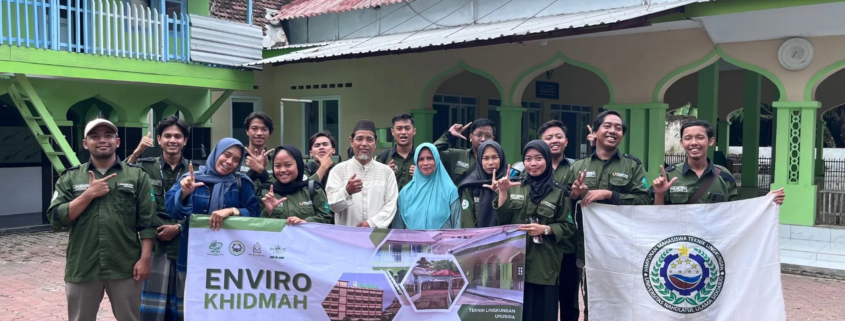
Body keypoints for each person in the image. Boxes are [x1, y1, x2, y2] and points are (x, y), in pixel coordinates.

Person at [47, 119, 156, 321]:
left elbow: (148, 222)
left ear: (117, 142)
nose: (102, 140)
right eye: (95, 136)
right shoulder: (70, 177)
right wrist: (88, 195)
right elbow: (56, 217)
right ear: (85, 143)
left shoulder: (137, 176)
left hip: (125, 265)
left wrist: (145, 259)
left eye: (108, 135)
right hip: (83, 265)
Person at [564, 110, 652, 321]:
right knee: (593, 304)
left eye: (618, 128)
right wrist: (574, 195)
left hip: (623, 249)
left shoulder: (632, 166)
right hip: (587, 249)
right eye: (607, 126)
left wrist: (610, 194)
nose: (613, 131)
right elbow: (563, 207)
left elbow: (644, 201)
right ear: (594, 132)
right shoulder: (578, 167)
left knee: (625, 303)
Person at [491, 141, 576, 321]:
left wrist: (545, 229)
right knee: (518, 314)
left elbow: (569, 227)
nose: (533, 163)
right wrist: (503, 193)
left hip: (544, 266)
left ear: (547, 160)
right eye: (528, 159)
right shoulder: (516, 186)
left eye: (538, 158)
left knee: (543, 314)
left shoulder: (559, 192)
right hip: (515, 264)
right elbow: (503, 221)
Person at [126, 116, 191, 321]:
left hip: (184, 244)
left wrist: (179, 226)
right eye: (167, 136)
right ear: (159, 139)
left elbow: (202, 208)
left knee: (182, 302)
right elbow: (122, 178)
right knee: (152, 305)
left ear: (185, 141)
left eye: (178, 136)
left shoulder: (195, 171)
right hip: (153, 244)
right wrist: (137, 152)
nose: (173, 140)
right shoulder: (145, 166)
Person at [165, 138, 261, 274]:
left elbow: (254, 213)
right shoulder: (191, 179)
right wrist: (184, 193)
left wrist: (232, 211)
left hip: (231, 254)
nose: (229, 162)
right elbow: (172, 211)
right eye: (226, 155)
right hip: (194, 252)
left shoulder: (241, 183)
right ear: (217, 153)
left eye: (236, 160)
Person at [652, 119, 786, 205]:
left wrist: (765, 202)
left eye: (700, 137)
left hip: (712, 240)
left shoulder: (724, 176)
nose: (693, 143)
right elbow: (657, 216)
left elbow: (735, 213)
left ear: (711, 141)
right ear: (681, 143)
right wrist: (659, 193)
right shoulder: (670, 175)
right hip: (679, 240)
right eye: (688, 138)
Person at [536, 120, 578, 321]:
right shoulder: (530, 168)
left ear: (566, 141)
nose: (554, 140)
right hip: (540, 248)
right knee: (543, 300)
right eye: (549, 137)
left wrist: (576, 196)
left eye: (558, 137)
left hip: (567, 245)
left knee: (569, 299)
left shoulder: (576, 168)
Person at [326, 120, 398, 228]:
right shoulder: (338, 171)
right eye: (359, 139)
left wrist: (371, 223)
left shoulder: (387, 173)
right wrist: (346, 191)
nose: (364, 144)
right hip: (346, 235)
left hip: (376, 235)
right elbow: (332, 206)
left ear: (375, 143)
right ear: (351, 141)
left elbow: (391, 206)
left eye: (369, 139)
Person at [258, 145, 333, 224]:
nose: (282, 170)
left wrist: (305, 222)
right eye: (277, 166)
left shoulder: (313, 189)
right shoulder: (266, 192)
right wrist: (268, 211)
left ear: (298, 165)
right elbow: (259, 225)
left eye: (288, 165)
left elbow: (327, 217)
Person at [392, 143, 460, 229]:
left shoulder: (450, 190)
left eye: (430, 158)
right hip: (411, 238)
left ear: (437, 160)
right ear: (416, 162)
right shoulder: (405, 193)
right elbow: (398, 228)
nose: (425, 163)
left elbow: (457, 225)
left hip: (444, 238)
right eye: (421, 159)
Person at [456, 141, 507, 228]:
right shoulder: (470, 186)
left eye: (495, 157)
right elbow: (467, 222)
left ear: (501, 158)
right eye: (485, 158)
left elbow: (512, 219)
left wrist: (502, 192)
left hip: (504, 236)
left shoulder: (509, 184)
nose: (490, 162)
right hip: (477, 236)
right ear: (479, 160)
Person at [434, 118, 497, 185]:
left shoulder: (498, 161)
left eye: (488, 136)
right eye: (479, 135)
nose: (483, 139)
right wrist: (448, 136)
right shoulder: (455, 155)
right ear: (470, 137)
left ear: (493, 139)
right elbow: (430, 154)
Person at [376, 114, 417, 191]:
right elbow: (374, 186)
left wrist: (422, 176)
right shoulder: (382, 157)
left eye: (407, 128)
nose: (403, 132)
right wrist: (385, 174)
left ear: (414, 131)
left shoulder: (422, 157)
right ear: (392, 132)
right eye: (399, 128)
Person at [239, 112, 275, 190]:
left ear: (269, 133)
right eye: (254, 128)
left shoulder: (276, 161)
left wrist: (262, 172)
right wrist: (255, 170)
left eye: (264, 129)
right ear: (247, 131)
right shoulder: (237, 159)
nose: (259, 133)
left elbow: (280, 188)